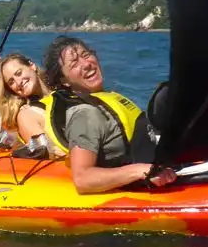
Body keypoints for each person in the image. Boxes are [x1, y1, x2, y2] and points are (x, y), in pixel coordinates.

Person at [39, 35, 176, 194]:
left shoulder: (108, 97)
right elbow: (82, 179)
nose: (86, 64)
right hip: (144, 180)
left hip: (163, 156)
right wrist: (139, 171)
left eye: (86, 55)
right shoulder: (84, 114)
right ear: (64, 81)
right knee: (166, 95)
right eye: (74, 63)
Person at [0, 52, 59, 155]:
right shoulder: (26, 114)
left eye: (19, 73)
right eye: (11, 82)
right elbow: (51, 153)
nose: (18, 82)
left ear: (32, 65)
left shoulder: (62, 89)